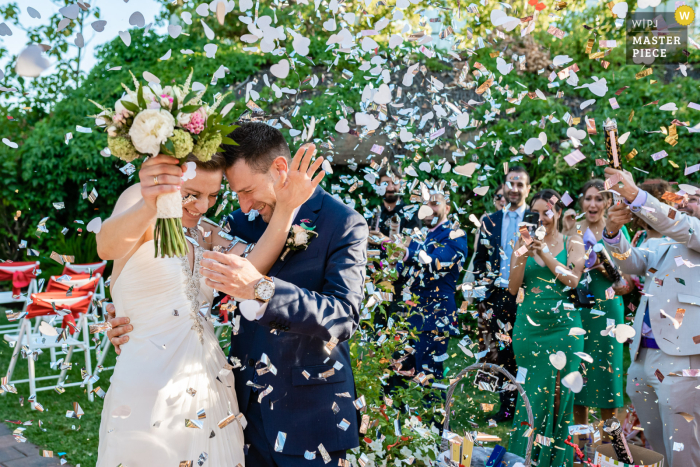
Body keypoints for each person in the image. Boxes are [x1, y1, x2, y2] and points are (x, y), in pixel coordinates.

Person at [97, 148, 324, 466]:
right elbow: (107, 245)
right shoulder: (140, 200)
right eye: (191, 194)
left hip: (210, 383)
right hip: (148, 382)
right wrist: (151, 201)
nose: (202, 206)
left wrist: (286, 208)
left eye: (213, 196)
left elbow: (253, 265)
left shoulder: (204, 231)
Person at [196, 122, 367, 466]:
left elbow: (342, 317)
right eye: (236, 193)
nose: (243, 206)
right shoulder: (239, 224)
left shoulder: (343, 223)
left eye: (247, 190)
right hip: (245, 413)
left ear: (279, 169)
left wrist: (262, 290)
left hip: (311, 416)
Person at [602, 167, 700, 467]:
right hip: (643, 358)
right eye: (682, 197)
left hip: (683, 361)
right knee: (657, 450)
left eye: (695, 198)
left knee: (684, 452)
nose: (685, 202)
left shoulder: (694, 234)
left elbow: (681, 225)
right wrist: (612, 232)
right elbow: (631, 263)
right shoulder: (664, 243)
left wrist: (633, 194)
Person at [508, 189, 586, 467]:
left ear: (558, 213)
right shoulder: (522, 243)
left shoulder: (573, 240)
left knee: (559, 401)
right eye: (536, 213)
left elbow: (573, 280)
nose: (541, 218)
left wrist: (544, 254)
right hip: (529, 332)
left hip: (565, 332)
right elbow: (513, 286)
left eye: (547, 212)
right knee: (531, 400)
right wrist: (523, 251)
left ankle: (556, 461)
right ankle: (522, 459)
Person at [563, 180, 634, 434]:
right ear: (582, 202)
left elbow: (627, 283)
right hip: (578, 307)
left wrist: (606, 267)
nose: (592, 204)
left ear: (606, 203)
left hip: (608, 309)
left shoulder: (615, 231)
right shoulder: (573, 229)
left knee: (607, 374)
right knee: (577, 372)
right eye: (588, 198)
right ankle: (580, 446)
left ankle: (609, 444)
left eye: (598, 199)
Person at [472, 167, 532, 421]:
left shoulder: (536, 218)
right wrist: (483, 296)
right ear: (505, 187)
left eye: (521, 184)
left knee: (527, 351)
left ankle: (530, 406)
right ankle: (507, 408)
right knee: (504, 352)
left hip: (529, 294)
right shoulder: (490, 221)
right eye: (511, 184)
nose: (515, 189)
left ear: (528, 188)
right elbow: (480, 260)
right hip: (499, 295)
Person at [393, 189, 469, 386]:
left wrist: (408, 253)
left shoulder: (455, 234)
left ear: (448, 208)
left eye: (435, 203)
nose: (429, 208)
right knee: (399, 375)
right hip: (410, 316)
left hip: (436, 317)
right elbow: (402, 272)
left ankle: (436, 417)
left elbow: (438, 262)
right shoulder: (421, 237)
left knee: (429, 383)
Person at [464, 184, 505, 364]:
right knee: (486, 331)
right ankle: (487, 373)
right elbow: (477, 251)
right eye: (499, 197)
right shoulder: (487, 220)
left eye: (505, 196)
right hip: (488, 286)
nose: (502, 200)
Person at [368, 164, 422, 237]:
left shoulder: (412, 214)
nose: (390, 188)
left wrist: (383, 240)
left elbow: (412, 244)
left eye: (394, 183)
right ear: (378, 184)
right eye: (385, 183)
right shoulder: (372, 215)